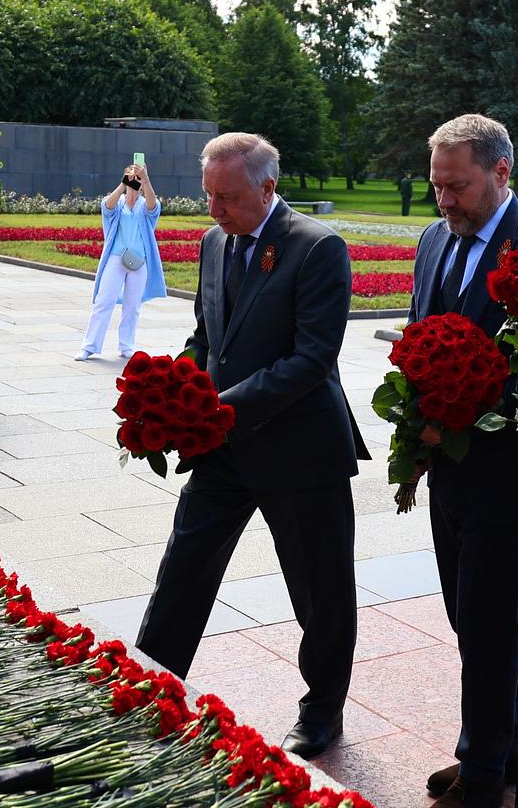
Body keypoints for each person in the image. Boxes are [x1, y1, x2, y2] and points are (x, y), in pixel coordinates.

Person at [135, 132, 369, 759]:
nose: (215, 210)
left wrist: (217, 406)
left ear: (268, 187)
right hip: (222, 449)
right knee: (184, 567)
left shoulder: (317, 248)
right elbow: (207, 335)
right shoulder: (215, 241)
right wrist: (174, 390)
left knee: (319, 589)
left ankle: (323, 708)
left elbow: (313, 358)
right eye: (208, 195)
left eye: (228, 197)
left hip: (299, 448)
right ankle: (148, 682)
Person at [407, 115, 518, 808]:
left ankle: (485, 770)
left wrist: (469, 416)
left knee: (489, 620)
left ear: (501, 173)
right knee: (470, 618)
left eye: (457, 186)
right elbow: (419, 337)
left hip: (508, 473)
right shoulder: (435, 239)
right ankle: (510, 741)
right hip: (447, 472)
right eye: (437, 186)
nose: (444, 201)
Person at [76, 162, 167, 361]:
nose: (134, 184)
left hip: (139, 262)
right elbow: (106, 207)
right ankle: (90, 346)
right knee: (103, 301)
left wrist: (146, 180)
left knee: (132, 305)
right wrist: (123, 184)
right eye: (131, 180)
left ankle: (126, 346)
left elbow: (153, 208)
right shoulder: (117, 203)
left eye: (137, 181)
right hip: (116, 259)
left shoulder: (147, 204)